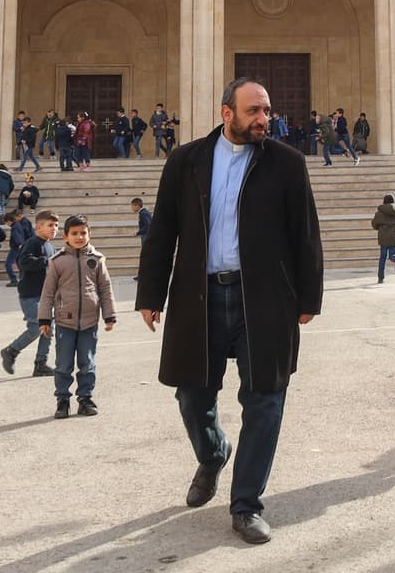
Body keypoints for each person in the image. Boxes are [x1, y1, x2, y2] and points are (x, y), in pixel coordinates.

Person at [136, 76, 324, 546]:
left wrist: (308, 299)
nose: (264, 119)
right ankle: (213, 451)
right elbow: (164, 231)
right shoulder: (187, 161)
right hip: (199, 297)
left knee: (265, 400)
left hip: (263, 300)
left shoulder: (286, 163)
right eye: (254, 111)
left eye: (267, 110)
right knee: (191, 395)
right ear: (228, 113)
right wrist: (150, 293)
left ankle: (246, 505)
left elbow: (306, 233)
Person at [39, 214, 117, 418]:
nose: (79, 237)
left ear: (89, 234)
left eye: (83, 232)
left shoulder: (97, 260)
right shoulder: (57, 262)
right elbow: (47, 292)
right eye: (74, 233)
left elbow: (105, 289)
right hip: (65, 322)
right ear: (65, 237)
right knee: (63, 365)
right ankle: (62, 400)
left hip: (89, 323)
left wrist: (109, 316)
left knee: (87, 363)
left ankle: (85, 398)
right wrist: (45, 319)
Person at [0, 209, 60, 378]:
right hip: (30, 294)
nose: (54, 228)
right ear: (38, 227)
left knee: (48, 329)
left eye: (56, 225)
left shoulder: (50, 246)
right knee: (35, 328)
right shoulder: (33, 242)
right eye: (49, 225)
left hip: (45, 295)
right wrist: (46, 261)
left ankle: (40, 364)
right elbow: (23, 261)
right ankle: (11, 351)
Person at [371, 193, 395, 283]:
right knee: (391, 255)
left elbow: (374, 224)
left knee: (382, 257)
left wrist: (380, 227)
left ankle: (380, 278)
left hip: (383, 237)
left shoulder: (379, 213)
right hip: (394, 236)